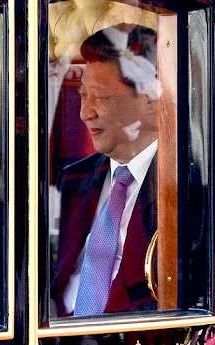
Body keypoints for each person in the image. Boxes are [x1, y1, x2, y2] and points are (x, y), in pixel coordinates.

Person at [52, 23, 161, 316]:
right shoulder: (74, 178)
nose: (85, 113)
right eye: (83, 96)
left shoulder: (192, 185)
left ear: (150, 99)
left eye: (101, 97)